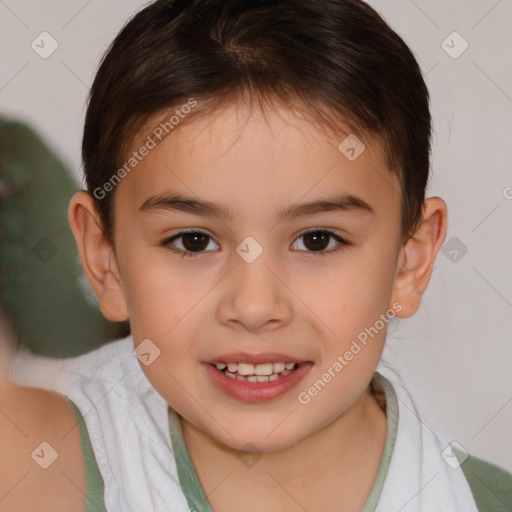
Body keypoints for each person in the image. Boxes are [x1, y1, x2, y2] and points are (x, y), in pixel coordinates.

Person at [1, 0, 511, 511]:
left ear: (410, 260)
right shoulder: (31, 474)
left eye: (317, 240)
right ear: (103, 256)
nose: (253, 306)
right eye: (193, 241)